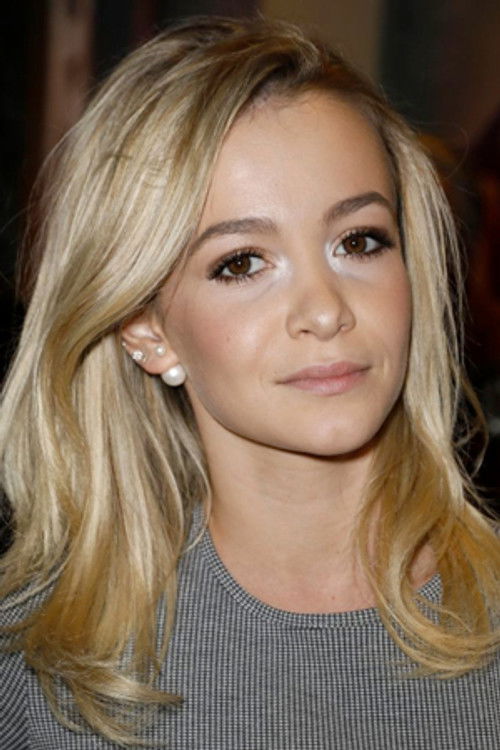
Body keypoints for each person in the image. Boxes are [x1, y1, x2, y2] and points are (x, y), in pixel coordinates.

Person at [0, 15, 498, 750]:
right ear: (145, 327)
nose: (325, 310)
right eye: (241, 263)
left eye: (359, 241)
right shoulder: (34, 666)